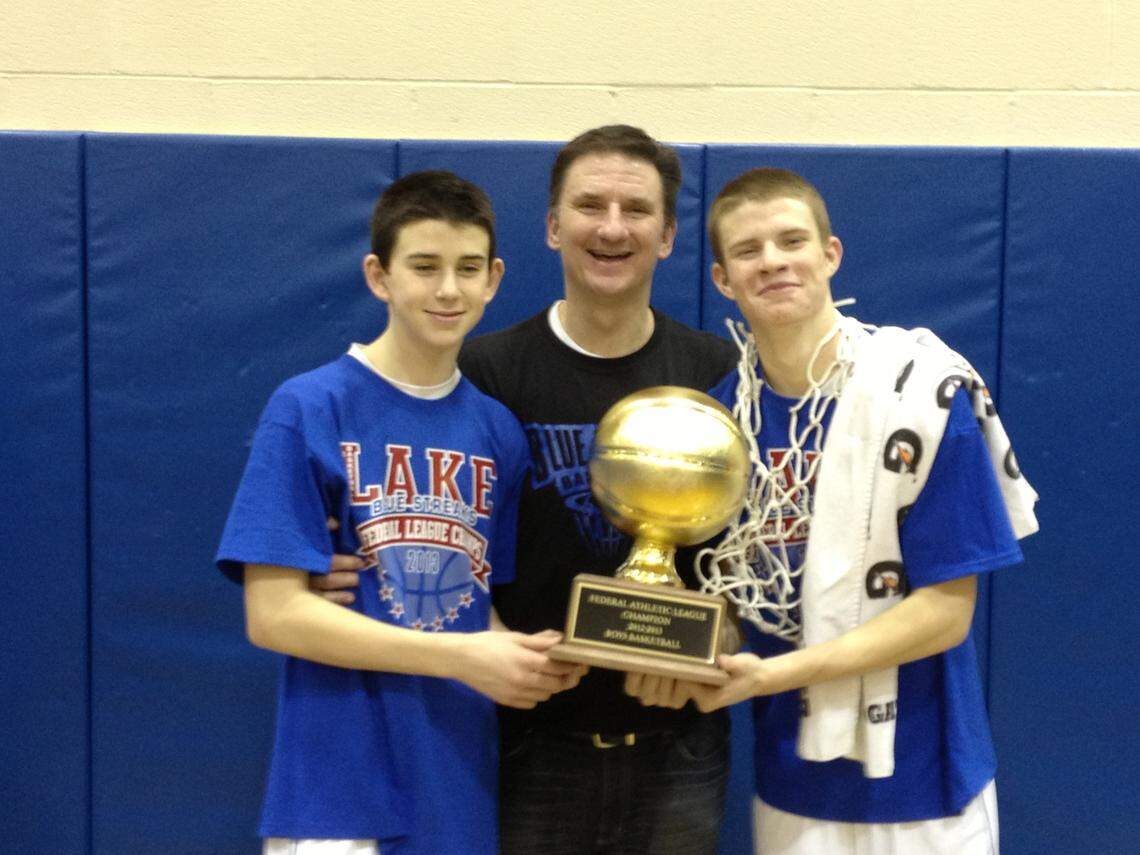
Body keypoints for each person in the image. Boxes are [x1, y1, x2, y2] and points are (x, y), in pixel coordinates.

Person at [314, 126, 740, 854]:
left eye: (636, 209)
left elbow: (749, 564)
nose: (611, 227)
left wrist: (718, 641)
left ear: (668, 234)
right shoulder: (483, 372)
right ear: (552, 226)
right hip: (527, 740)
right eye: (589, 205)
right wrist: (340, 573)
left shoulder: (717, 373)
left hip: (681, 743)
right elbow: (416, 509)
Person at [635, 167, 1038, 854]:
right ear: (723, 279)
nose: (773, 261)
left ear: (831, 255)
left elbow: (946, 611)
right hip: (793, 777)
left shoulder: (921, 394)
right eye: (748, 249)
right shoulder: (717, 426)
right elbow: (731, 601)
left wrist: (775, 675)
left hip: (924, 779)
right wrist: (684, 653)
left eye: (792, 240)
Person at [216, 171, 583, 855]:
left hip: (456, 779)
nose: (448, 289)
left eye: (467, 268)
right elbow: (273, 616)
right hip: (336, 787)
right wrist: (464, 655)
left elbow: (477, 605)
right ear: (378, 275)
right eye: (424, 267)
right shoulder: (308, 408)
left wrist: (533, 657)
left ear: (494, 278)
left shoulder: (497, 430)